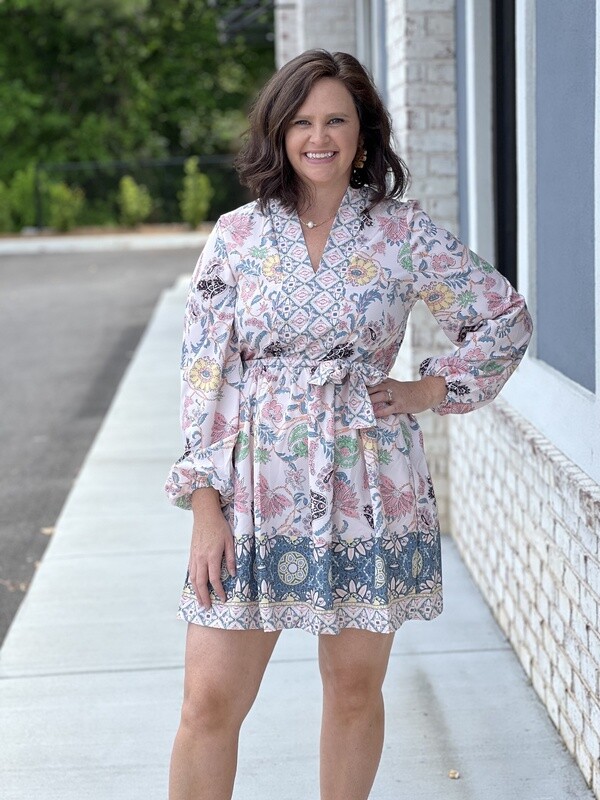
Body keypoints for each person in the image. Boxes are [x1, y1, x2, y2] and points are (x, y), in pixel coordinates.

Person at [165, 49, 532, 800]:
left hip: (370, 487)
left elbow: (504, 317)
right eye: (301, 121)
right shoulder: (236, 237)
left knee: (355, 692)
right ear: (279, 134)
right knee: (207, 703)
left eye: (336, 119)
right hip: (253, 493)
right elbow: (205, 377)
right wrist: (205, 508)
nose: (318, 137)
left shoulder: (402, 234)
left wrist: (431, 389)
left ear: (362, 136)